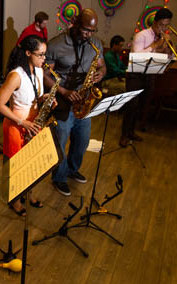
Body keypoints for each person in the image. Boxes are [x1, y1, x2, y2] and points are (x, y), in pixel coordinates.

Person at [44, 8, 106, 196]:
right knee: (61, 142)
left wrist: (100, 74)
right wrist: (63, 90)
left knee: (82, 141)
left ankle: (72, 169)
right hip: (63, 102)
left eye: (92, 31)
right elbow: (44, 75)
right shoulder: (56, 44)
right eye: (86, 30)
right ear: (76, 24)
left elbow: (102, 67)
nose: (88, 35)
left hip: (83, 101)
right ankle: (59, 177)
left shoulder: (95, 43)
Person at [0, 35, 48, 216]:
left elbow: (34, 97)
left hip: (33, 125)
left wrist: (45, 99)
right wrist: (22, 122)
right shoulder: (16, 75)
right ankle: (15, 200)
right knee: (16, 167)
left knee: (31, 164)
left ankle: (28, 193)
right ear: (27, 53)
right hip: (16, 127)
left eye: (44, 55)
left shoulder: (39, 71)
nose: (44, 59)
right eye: (40, 55)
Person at [119, 8, 173, 147]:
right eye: (161, 25)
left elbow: (168, 57)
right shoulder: (142, 35)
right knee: (131, 106)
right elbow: (137, 55)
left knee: (141, 106)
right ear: (154, 22)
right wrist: (155, 45)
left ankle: (131, 131)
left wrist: (167, 47)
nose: (163, 28)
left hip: (150, 75)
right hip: (135, 75)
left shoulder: (161, 38)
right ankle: (124, 135)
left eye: (166, 25)